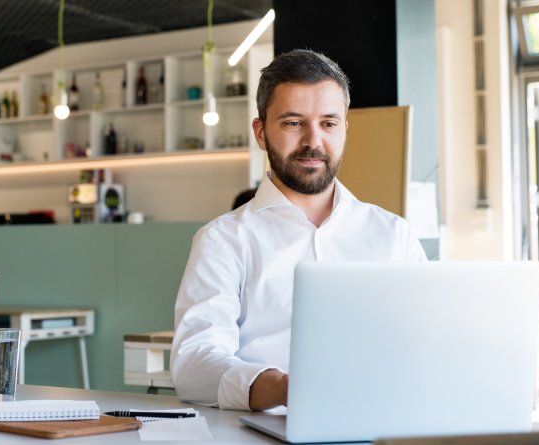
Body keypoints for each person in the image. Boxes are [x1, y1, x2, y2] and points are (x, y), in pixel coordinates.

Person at [170, 49, 426, 411]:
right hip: (265, 431)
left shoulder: (394, 235)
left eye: (328, 123)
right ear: (261, 133)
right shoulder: (223, 241)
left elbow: (425, 341)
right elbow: (194, 366)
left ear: (344, 130)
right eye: (293, 123)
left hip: (380, 423)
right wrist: (283, 387)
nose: (313, 141)